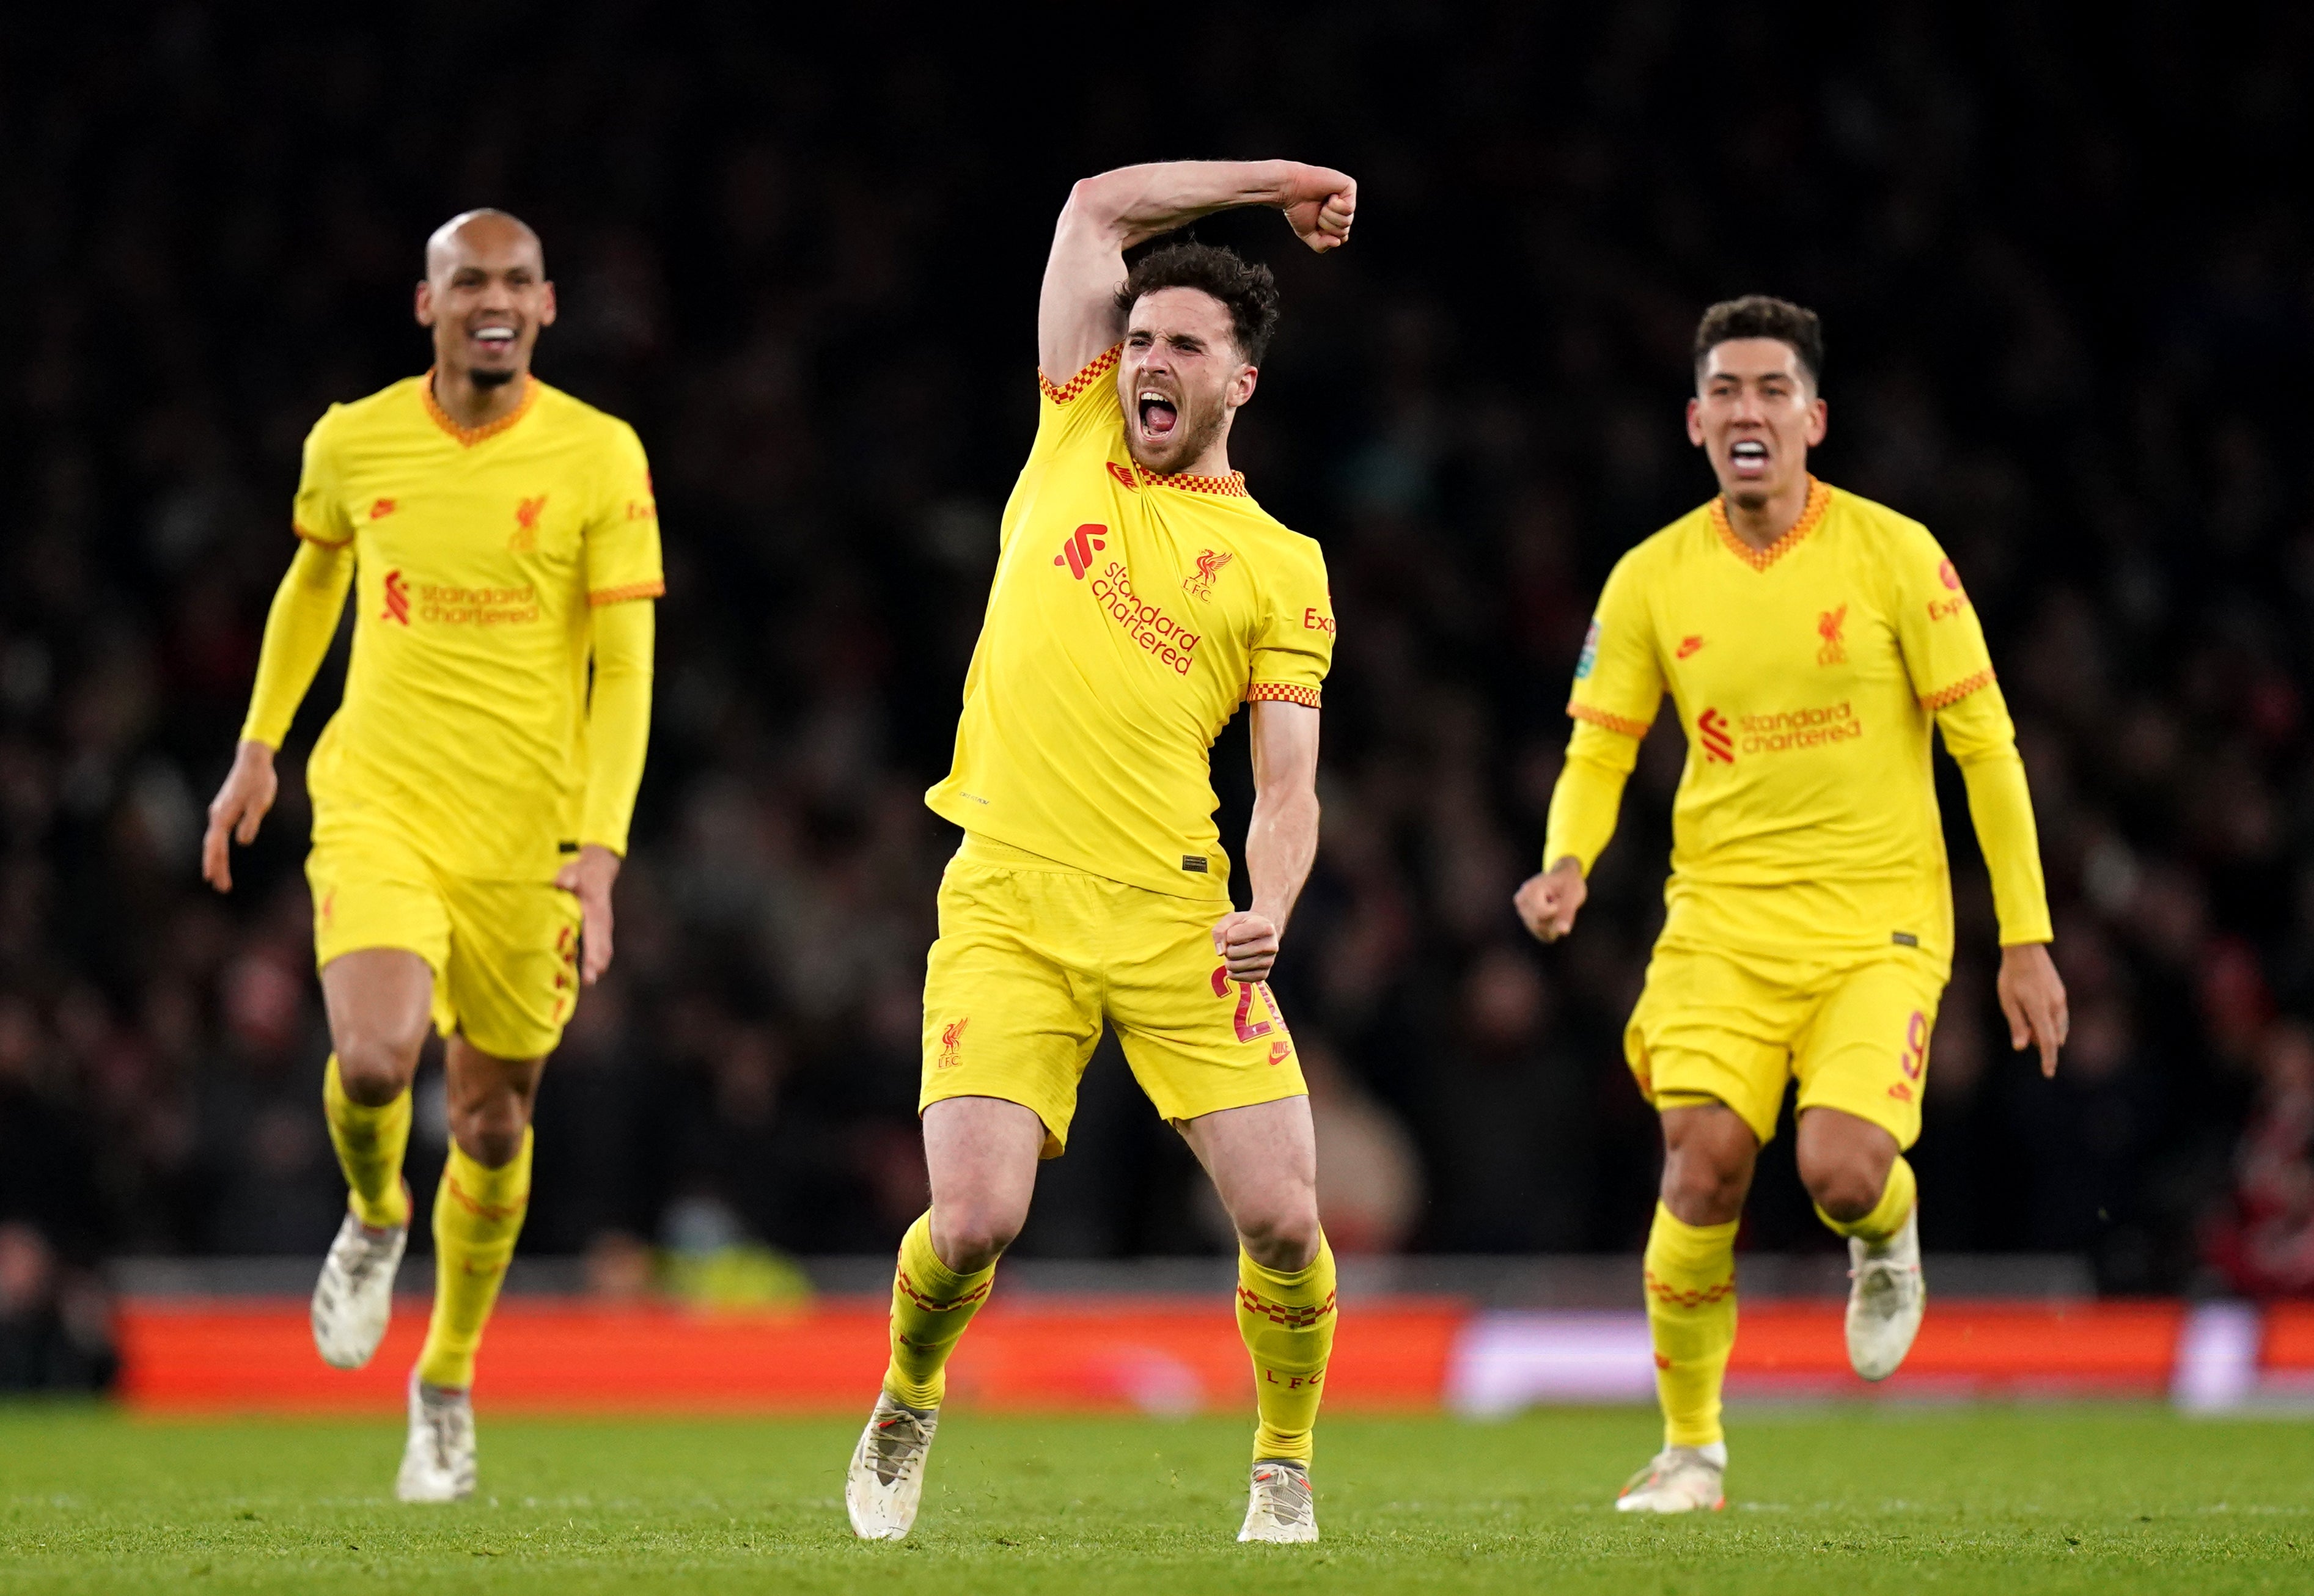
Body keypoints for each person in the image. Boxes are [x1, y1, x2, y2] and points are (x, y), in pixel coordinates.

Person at [843, 160, 1354, 1546]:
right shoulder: (1071, 431)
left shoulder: (1282, 566)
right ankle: (906, 1393)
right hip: (1006, 893)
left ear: (1241, 381)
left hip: (1179, 919)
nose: (1149, 360)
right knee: (971, 1224)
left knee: (1288, 1223)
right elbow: (1087, 207)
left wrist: (1276, 901)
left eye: (1186, 344)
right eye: (1139, 337)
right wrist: (1283, 182)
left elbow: (1289, 787)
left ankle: (1284, 1464)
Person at [1513, 296, 2069, 1513]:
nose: (1748, 409)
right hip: (1720, 922)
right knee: (1702, 1163)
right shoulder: (1651, 577)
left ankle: (1887, 1233)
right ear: (1695, 422)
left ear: (1814, 419)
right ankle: (1690, 1449)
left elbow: (1988, 749)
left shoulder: (1896, 554)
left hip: (1878, 926)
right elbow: (1601, 749)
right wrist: (1569, 860)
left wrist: (2024, 938)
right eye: (1727, 391)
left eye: (1773, 390)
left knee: (1840, 1167)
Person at [201, 210, 660, 1503]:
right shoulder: (353, 439)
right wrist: (259, 744)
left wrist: (602, 848)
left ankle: (445, 1379)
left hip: (528, 839)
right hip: (382, 801)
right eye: (470, 282)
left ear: (550, 305)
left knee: (494, 1118)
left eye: (517, 281)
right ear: (428, 305)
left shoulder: (599, 455)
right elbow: (312, 583)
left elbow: (625, 667)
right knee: (373, 1057)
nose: (493, 301)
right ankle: (375, 1214)